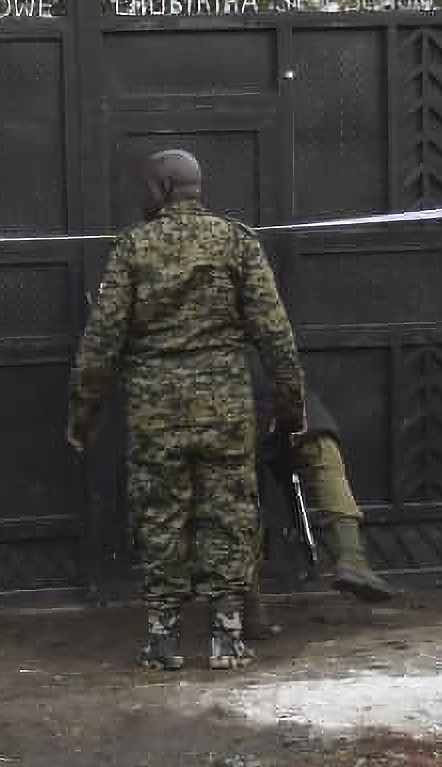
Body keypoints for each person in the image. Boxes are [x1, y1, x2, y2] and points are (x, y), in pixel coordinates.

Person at [68, 151, 304, 671]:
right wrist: (291, 406)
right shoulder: (237, 241)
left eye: (146, 185)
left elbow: (102, 339)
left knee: (160, 515)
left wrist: (83, 413)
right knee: (230, 512)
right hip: (225, 406)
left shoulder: (133, 247)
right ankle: (226, 636)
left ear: (162, 187)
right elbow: (275, 332)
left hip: (157, 409)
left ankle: (163, 639)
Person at [244, 362, 395, 642]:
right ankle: (352, 557)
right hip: (262, 383)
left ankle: (248, 609)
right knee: (319, 448)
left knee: (238, 497)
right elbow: (276, 339)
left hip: (212, 393)